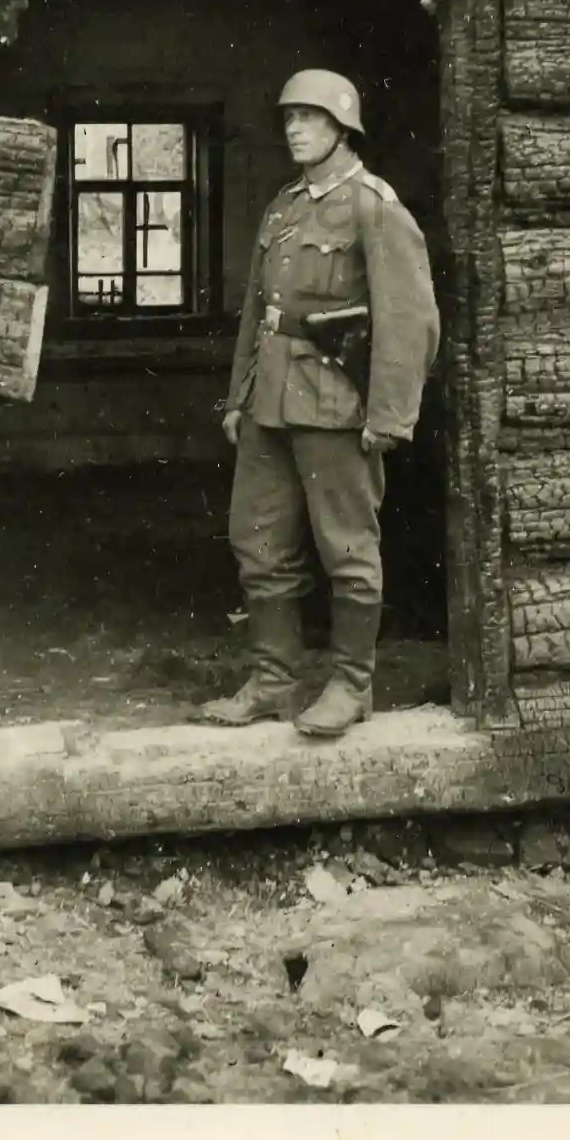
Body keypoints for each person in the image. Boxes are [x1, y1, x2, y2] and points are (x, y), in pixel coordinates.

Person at [199, 69, 441, 736]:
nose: (295, 128)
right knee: (258, 542)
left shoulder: (372, 205)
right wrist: (238, 396)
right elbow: (259, 309)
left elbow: (408, 319)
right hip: (269, 405)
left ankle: (350, 684)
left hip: (336, 403)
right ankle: (274, 681)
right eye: (288, 118)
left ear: (342, 125)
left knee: (347, 549)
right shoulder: (283, 207)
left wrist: (390, 415)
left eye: (309, 117)